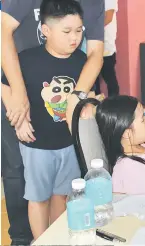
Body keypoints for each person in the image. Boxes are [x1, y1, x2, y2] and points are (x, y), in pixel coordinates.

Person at [1, 0, 104, 244]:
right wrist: (18, 105)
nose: (75, 38)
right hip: (36, 145)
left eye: (79, 31)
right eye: (68, 32)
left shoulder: (80, 61)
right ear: (45, 31)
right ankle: (37, 240)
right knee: (35, 195)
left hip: (67, 143)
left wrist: (87, 101)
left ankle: (57, 237)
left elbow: (93, 68)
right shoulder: (27, 59)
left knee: (63, 194)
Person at [95, 0, 119, 96]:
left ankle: (114, 107)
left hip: (106, 46)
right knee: (93, 81)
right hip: (91, 45)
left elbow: (108, 17)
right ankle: (95, 107)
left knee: (109, 77)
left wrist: (89, 29)